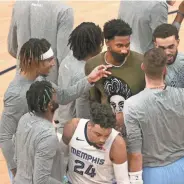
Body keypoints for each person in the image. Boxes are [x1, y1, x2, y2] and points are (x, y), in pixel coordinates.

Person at [0, 38, 111, 181]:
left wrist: (89, 79)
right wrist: (16, 170)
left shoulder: (41, 81)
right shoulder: (15, 94)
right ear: (34, 62)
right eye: (49, 60)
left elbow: (64, 96)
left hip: (42, 154)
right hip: (25, 166)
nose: (53, 63)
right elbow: (4, 135)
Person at [124, 48, 184, 184]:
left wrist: (135, 180)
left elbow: (135, 153)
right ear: (165, 70)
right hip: (183, 168)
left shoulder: (132, 105)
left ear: (143, 67)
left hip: (152, 173)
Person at [84, 19, 145, 136]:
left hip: (137, 129)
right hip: (108, 131)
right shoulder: (92, 65)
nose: (124, 50)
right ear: (107, 42)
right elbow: (94, 100)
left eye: (127, 45)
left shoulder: (141, 63)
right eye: (119, 45)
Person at [8, 1, 74, 84]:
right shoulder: (64, 11)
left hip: (21, 81)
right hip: (48, 87)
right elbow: (64, 58)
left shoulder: (18, 5)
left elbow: (12, 48)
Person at [55, 22, 104, 133]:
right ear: (94, 46)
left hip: (62, 119)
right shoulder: (85, 74)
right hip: (75, 129)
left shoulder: (68, 59)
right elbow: (82, 111)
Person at [61, 104, 129, 184]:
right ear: (90, 125)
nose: (102, 140)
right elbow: (60, 157)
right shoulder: (73, 127)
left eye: (107, 135)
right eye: (98, 134)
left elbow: (123, 181)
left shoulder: (117, 143)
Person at [13, 81, 64, 183]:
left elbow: (16, 158)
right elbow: (41, 181)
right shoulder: (48, 135)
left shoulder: (25, 118)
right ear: (49, 104)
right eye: (54, 93)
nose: (56, 94)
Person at [118, 0, 184, 54]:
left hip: (126, 55)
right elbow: (164, 39)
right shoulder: (158, 5)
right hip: (146, 63)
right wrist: (181, 13)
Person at [153, 23, 184, 88]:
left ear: (177, 42)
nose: (167, 52)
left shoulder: (183, 59)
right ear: (155, 45)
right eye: (162, 48)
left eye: (171, 47)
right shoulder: (152, 70)